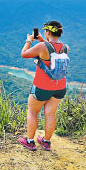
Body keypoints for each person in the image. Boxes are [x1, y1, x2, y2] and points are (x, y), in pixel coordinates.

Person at [18, 20, 69, 151]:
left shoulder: (42, 47)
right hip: (60, 87)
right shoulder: (65, 47)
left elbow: (24, 53)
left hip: (42, 87)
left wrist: (29, 40)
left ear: (47, 32)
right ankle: (46, 142)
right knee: (50, 113)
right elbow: (49, 50)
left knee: (33, 111)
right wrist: (41, 39)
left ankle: (30, 141)